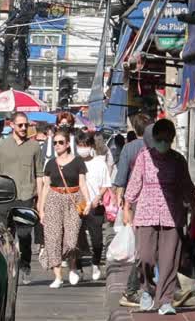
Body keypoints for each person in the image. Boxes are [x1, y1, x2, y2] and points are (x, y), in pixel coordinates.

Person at [123, 118, 195, 315]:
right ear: (154, 138)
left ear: (172, 138)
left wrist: (194, 211)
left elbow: (187, 186)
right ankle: (147, 289)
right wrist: (127, 206)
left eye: (167, 138)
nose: (163, 142)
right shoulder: (144, 157)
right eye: (160, 138)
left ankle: (165, 300)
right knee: (145, 256)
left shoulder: (178, 160)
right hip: (146, 212)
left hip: (172, 214)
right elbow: (134, 183)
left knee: (169, 260)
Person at [0, 112, 43, 284]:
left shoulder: (34, 146)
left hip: (26, 195)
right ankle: (6, 266)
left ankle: (25, 266)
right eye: (20, 125)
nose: (23, 128)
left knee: (25, 235)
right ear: (12, 125)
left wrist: (40, 200)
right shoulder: (1, 146)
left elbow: (39, 175)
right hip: (5, 198)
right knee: (5, 235)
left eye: (26, 125)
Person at [38, 126, 89, 288]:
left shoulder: (78, 161)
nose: (57, 145)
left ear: (68, 144)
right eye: (55, 143)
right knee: (53, 237)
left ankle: (73, 267)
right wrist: (41, 208)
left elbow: (82, 183)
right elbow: (46, 187)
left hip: (73, 198)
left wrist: (87, 201)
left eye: (61, 142)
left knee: (72, 238)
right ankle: (58, 276)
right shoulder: (50, 164)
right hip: (54, 199)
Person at [113, 112, 155, 307]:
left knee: (145, 247)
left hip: (135, 203)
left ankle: (150, 288)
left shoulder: (129, 149)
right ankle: (132, 290)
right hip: (149, 202)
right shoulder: (152, 148)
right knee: (147, 248)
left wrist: (122, 204)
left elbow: (121, 179)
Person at [76, 131, 112, 282]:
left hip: (95, 205)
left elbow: (106, 184)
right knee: (76, 238)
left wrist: (98, 196)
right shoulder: (74, 162)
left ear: (90, 146)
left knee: (97, 240)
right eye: (79, 146)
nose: (82, 148)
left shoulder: (99, 163)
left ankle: (96, 263)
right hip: (78, 205)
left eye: (85, 145)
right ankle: (78, 268)